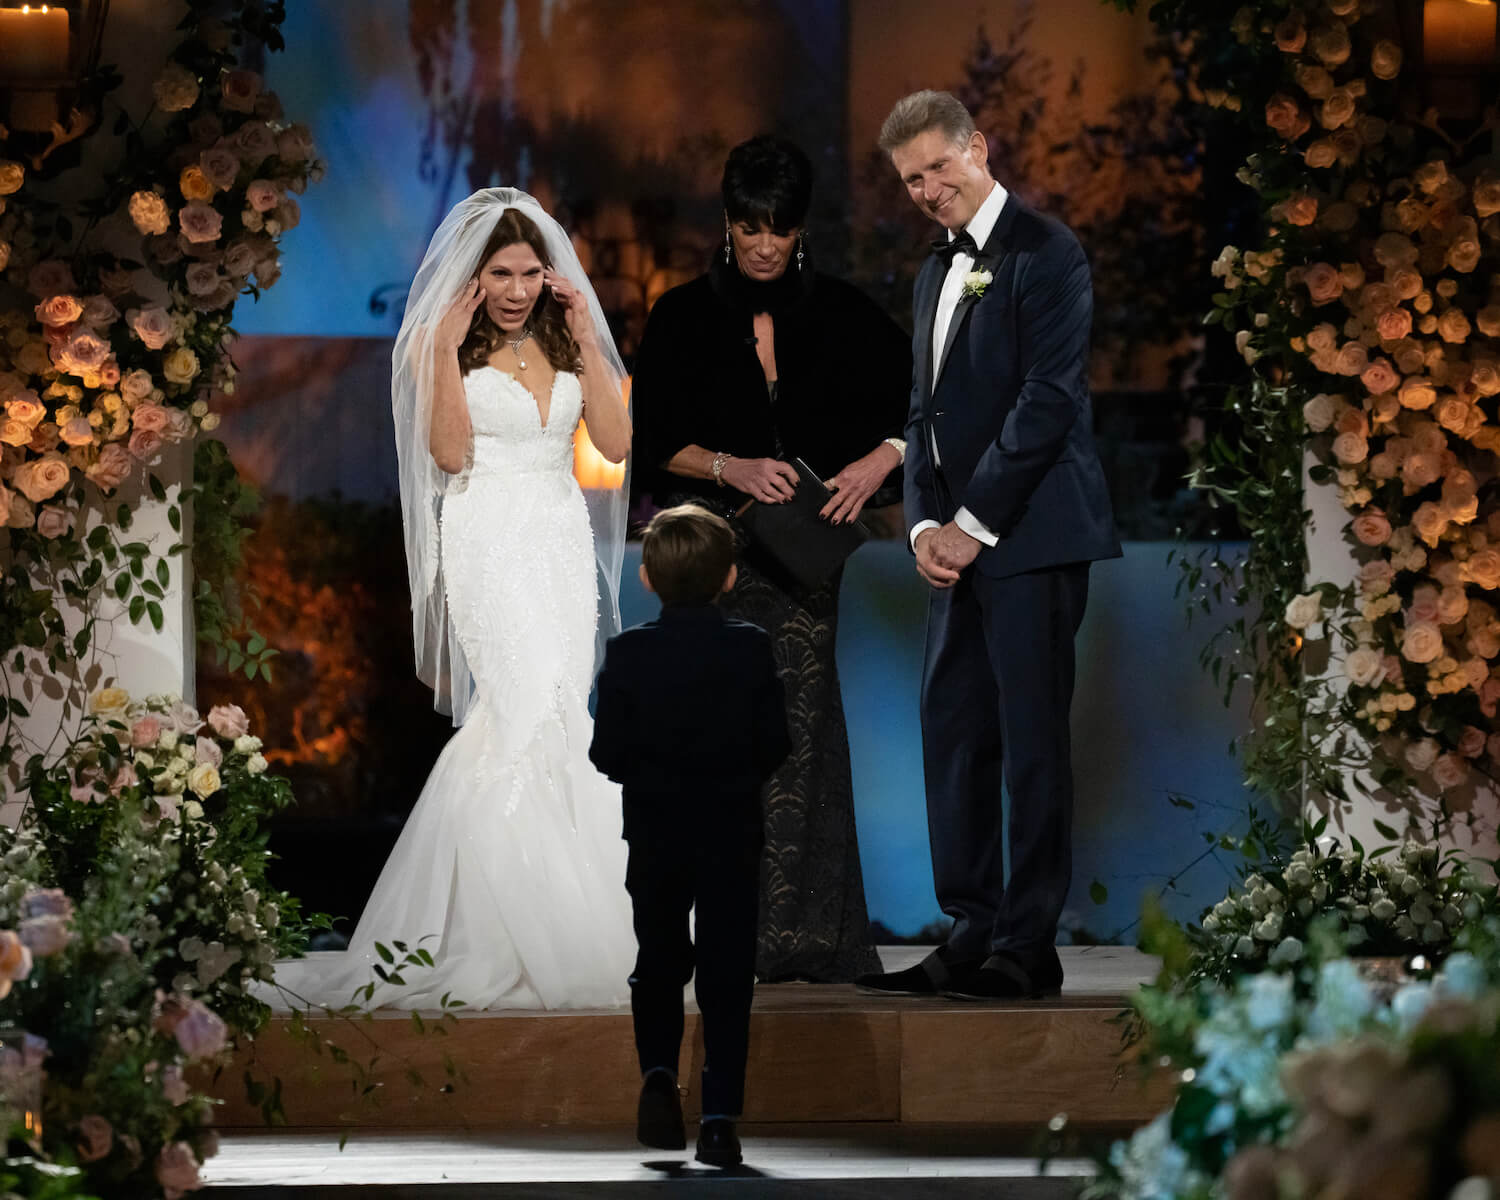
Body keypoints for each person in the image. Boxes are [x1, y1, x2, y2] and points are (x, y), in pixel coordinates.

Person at [269, 188, 636, 1011]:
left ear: (550, 273)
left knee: (566, 715)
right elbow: (448, 449)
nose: (515, 289)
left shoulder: (568, 341)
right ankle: (493, 929)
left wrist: (583, 332)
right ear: (473, 279)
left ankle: (573, 918)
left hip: (558, 538)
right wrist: (437, 348)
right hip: (487, 536)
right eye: (500, 274)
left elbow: (613, 443)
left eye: (529, 272)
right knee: (518, 714)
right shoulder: (447, 347)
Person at [856, 92, 1121, 1001]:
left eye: (937, 168)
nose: (928, 191)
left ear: (978, 148)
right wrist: (924, 523)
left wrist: (971, 529)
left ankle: (1027, 943)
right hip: (953, 546)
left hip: (1033, 540)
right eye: (911, 181)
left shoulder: (1048, 254)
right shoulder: (935, 268)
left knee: (1031, 740)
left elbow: (1046, 404)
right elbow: (922, 412)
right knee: (956, 736)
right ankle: (968, 930)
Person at [630, 134, 910, 983]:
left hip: (804, 568)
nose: (762, 244)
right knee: (717, 741)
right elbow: (649, 442)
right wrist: (728, 464)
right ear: (726, 223)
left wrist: (879, 462)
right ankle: (720, 932)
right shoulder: (681, 315)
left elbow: (914, 411)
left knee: (804, 739)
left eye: (778, 229)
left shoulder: (849, 316)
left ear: (800, 230)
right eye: (749, 226)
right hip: (708, 564)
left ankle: (809, 938)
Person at [589, 504, 791, 1168]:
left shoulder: (627, 653)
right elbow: (775, 745)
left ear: (645, 578)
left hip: (654, 830)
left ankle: (655, 1073)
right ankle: (718, 1120)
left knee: (659, 961)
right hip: (732, 830)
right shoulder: (751, 646)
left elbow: (606, 753)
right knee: (728, 974)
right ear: (730, 577)